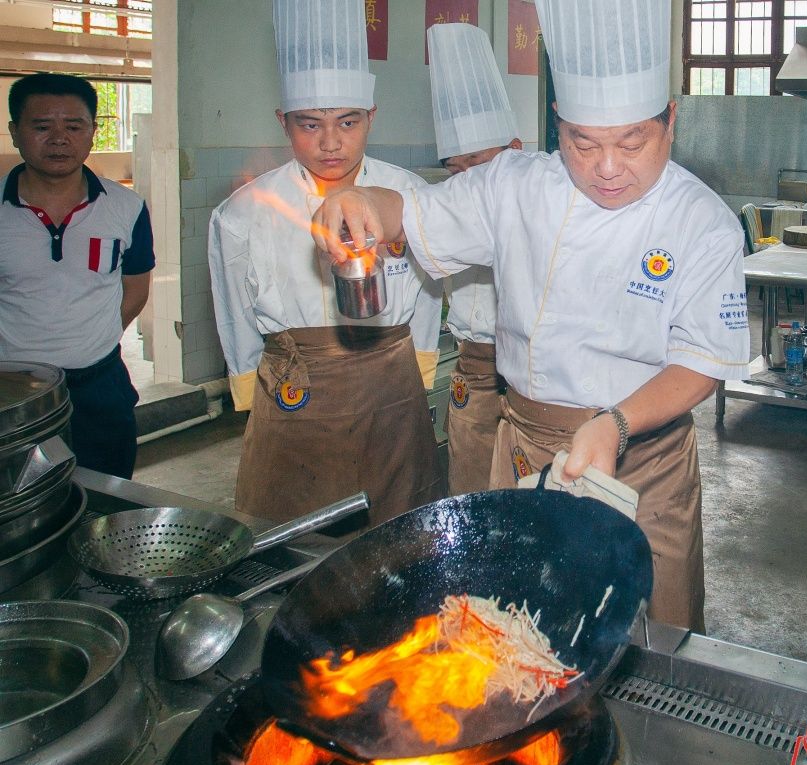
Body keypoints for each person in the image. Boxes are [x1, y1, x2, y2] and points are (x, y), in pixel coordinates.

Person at [313, 0, 751, 633]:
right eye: (583, 143)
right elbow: (408, 212)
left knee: (648, 639)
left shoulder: (702, 221)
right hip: (526, 448)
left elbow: (700, 363)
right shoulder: (514, 186)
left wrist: (615, 424)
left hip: (643, 460)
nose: (607, 167)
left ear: (671, 121)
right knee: (520, 634)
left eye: (632, 142)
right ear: (557, 123)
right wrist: (361, 202)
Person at [208, 0, 445, 528]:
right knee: (292, 535)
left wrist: (421, 365)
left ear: (371, 118)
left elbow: (431, 287)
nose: (331, 143)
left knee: (398, 533)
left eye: (348, 122)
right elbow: (234, 310)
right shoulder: (243, 212)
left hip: (390, 385)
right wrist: (247, 386)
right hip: (295, 392)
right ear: (284, 122)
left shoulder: (407, 195)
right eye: (310, 124)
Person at [1, 73, 153, 479]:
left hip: (100, 387)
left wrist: (93, 338)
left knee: (108, 492)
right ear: (15, 132)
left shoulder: (127, 207)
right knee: (26, 501)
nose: (59, 139)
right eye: (42, 126)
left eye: (73, 126)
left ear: (92, 132)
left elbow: (136, 288)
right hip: (14, 395)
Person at [427, 22, 521, 495]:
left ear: (515, 151)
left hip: (532, 378)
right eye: (455, 169)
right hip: (472, 369)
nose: (467, 183)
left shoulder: (543, 203)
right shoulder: (439, 210)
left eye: (479, 165)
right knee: (470, 491)